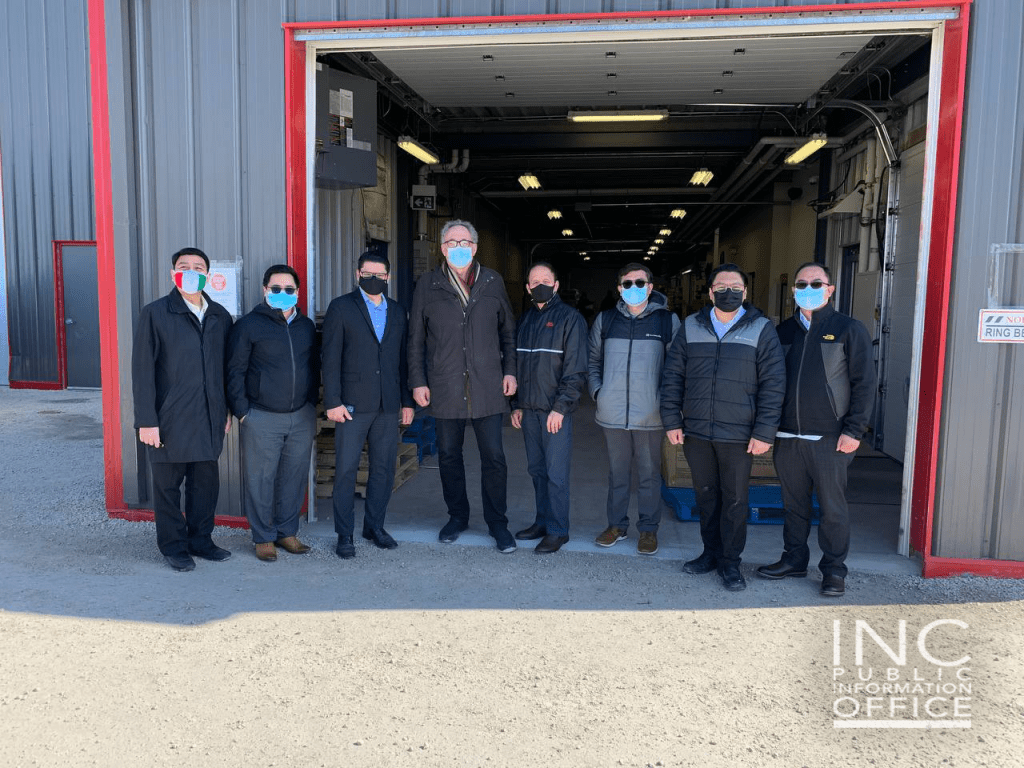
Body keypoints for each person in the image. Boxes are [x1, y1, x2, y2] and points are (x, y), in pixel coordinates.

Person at [660, 263, 786, 591]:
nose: (726, 292)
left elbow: (774, 383)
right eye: (720, 286)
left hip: (739, 434)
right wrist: (672, 419)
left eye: (734, 287)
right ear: (710, 291)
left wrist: (763, 432)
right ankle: (710, 553)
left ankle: (731, 562)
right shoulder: (690, 326)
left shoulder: (760, 328)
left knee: (734, 501)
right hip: (697, 431)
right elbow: (673, 376)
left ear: (745, 292)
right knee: (705, 496)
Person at [757, 262, 875, 597]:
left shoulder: (848, 330)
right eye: (802, 284)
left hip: (830, 439)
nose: (808, 289)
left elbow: (864, 384)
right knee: (794, 506)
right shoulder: (782, 332)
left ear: (830, 289)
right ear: (793, 290)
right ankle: (794, 559)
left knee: (832, 509)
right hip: (788, 438)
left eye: (816, 283)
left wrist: (854, 431)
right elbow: (769, 383)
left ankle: (834, 570)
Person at [407, 219, 519, 553]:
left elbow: (508, 333)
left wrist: (510, 371)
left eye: (465, 241)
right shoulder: (428, 284)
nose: (459, 247)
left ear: (475, 246)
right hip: (445, 386)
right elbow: (415, 340)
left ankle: (498, 524)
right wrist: (417, 381)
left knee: (494, 459)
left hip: (487, 386)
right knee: (449, 457)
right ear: (441, 248)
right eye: (452, 242)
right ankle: (457, 517)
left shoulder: (492, 281)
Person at [132, 247, 233, 572]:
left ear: (207, 274)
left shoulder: (220, 316)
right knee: (168, 488)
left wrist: (226, 410)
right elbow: (143, 371)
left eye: (198, 266)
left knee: (205, 486)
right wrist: (147, 421)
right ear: (173, 272)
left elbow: (226, 369)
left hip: (209, 417)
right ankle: (174, 547)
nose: (191, 271)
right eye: (183, 266)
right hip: (168, 420)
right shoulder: (156, 313)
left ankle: (201, 541)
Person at [321, 252, 415, 559]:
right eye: (368, 273)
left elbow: (402, 361)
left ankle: (374, 527)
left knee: (383, 470)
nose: (374, 279)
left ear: (388, 277)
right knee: (346, 471)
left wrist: (406, 401)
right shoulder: (341, 307)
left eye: (380, 275)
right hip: (351, 405)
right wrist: (332, 401)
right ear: (357, 274)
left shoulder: (399, 311)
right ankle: (344, 533)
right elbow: (330, 358)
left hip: (388, 404)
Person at [226, 264, 318, 562]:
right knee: (260, 478)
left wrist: (311, 406)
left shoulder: (305, 326)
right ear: (265, 290)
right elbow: (234, 371)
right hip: (261, 416)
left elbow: (313, 367)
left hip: (300, 416)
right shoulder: (248, 326)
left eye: (288, 290)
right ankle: (263, 537)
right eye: (276, 289)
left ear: (297, 293)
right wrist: (242, 412)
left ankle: (287, 532)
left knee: (293, 477)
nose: (282, 294)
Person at [588, 263, 680, 556]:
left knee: (649, 475)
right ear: (619, 289)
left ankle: (649, 530)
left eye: (640, 282)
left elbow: (676, 368)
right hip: (611, 413)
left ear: (651, 287)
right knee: (618, 474)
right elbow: (592, 361)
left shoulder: (667, 322)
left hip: (650, 414)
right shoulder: (606, 320)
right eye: (627, 283)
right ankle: (616, 525)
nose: (633, 288)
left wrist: (665, 402)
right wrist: (598, 392)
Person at [510, 262, 588, 554]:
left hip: (555, 412)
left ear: (556, 286)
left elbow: (576, 369)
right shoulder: (526, 320)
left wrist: (561, 407)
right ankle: (542, 521)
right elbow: (518, 366)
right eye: (534, 281)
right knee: (537, 470)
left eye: (546, 280)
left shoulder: (571, 319)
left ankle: (558, 530)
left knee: (556, 474)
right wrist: (516, 405)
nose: (540, 284)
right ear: (528, 288)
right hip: (528, 410)